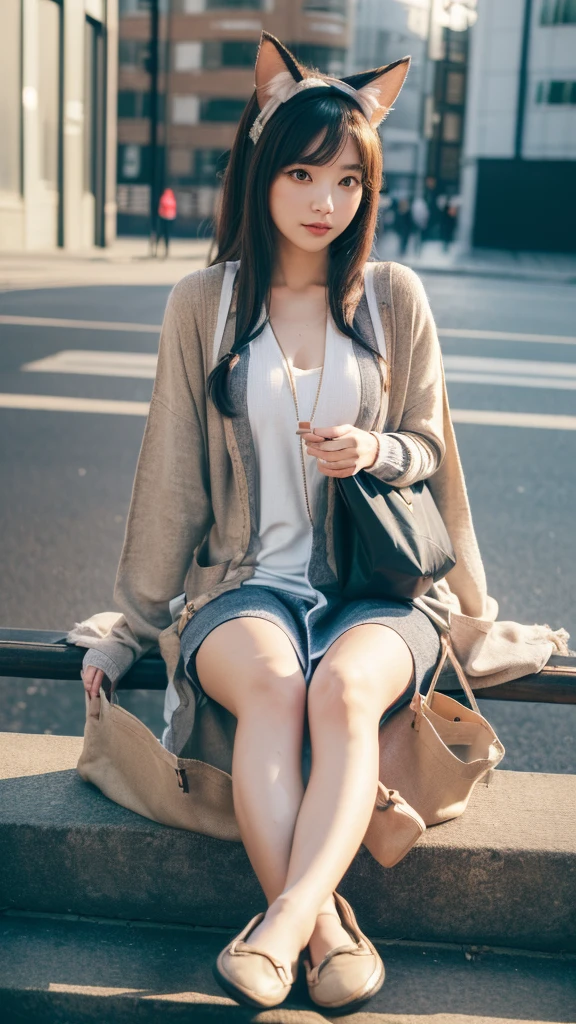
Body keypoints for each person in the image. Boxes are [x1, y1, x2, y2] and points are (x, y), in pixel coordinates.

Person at [77, 30, 570, 1017]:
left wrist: (375, 450)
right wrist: (132, 622)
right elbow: (170, 475)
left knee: (342, 690)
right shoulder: (204, 305)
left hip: (376, 591)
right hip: (241, 588)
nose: (323, 201)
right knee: (273, 683)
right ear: (262, 171)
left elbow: (432, 443)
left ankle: (285, 921)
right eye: (302, 173)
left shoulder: (393, 297)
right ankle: (331, 927)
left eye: (347, 180)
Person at [156, 187, 177, 258]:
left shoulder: (164, 199)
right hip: (168, 219)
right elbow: (173, 211)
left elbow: (160, 209)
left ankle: (158, 250)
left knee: (161, 235)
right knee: (166, 236)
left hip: (164, 219)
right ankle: (165, 250)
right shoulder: (172, 200)